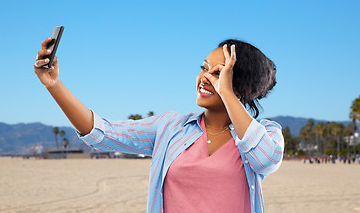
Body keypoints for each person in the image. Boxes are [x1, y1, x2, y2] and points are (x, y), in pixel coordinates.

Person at [34, 38, 284, 213]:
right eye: (203, 68)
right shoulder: (171, 127)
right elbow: (101, 131)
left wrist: (228, 94)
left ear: (239, 85)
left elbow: (265, 160)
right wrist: (54, 84)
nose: (203, 77)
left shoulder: (266, 134)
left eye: (218, 73)